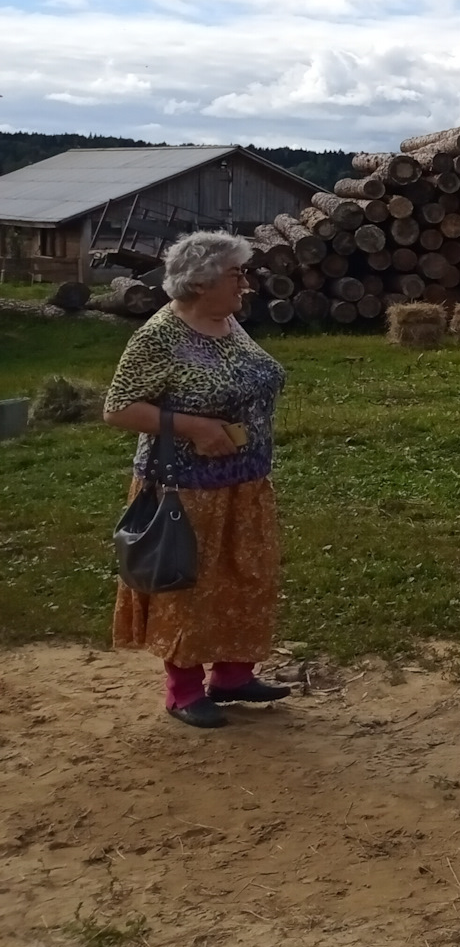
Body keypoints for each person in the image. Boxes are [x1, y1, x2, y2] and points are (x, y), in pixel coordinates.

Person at [103, 231, 291, 728]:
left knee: (245, 575)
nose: (246, 284)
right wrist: (194, 426)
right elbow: (118, 409)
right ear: (201, 282)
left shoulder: (227, 322)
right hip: (184, 487)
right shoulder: (159, 336)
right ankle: (183, 690)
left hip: (245, 478)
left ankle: (232, 674)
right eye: (237, 275)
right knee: (188, 584)